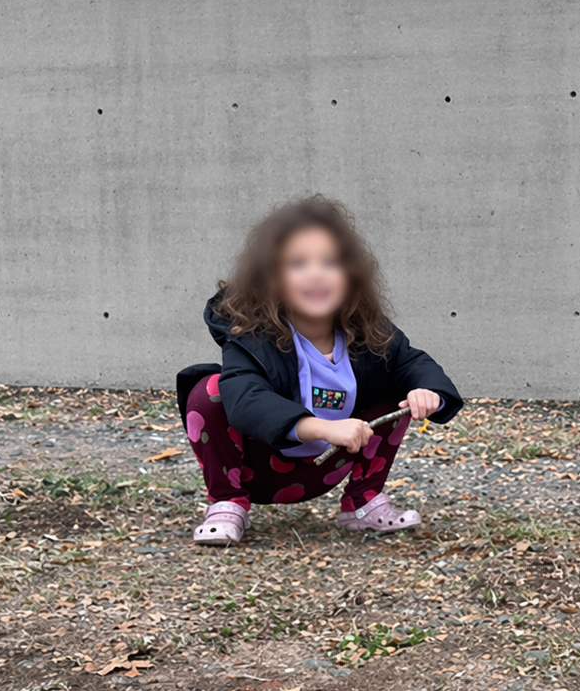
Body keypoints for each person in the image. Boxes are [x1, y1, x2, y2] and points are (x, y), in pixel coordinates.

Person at [175, 195, 462, 545]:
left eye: (330, 262)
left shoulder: (368, 333)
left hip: (326, 468)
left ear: (351, 275)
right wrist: (323, 427)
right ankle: (226, 503)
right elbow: (246, 399)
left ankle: (361, 502)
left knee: (396, 394)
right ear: (272, 278)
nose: (316, 273)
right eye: (298, 263)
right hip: (259, 466)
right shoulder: (252, 337)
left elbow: (412, 362)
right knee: (210, 392)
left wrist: (427, 391)